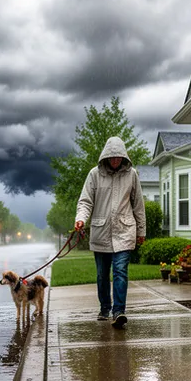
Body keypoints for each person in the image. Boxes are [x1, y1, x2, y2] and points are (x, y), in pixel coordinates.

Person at [75, 137, 146, 328]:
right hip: (101, 231)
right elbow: (85, 201)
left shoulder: (132, 175)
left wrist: (141, 230)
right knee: (101, 274)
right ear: (106, 157)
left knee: (120, 272)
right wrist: (80, 219)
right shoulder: (94, 175)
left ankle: (119, 311)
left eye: (118, 157)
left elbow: (138, 204)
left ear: (123, 157)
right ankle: (105, 307)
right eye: (112, 158)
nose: (115, 161)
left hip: (124, 231)